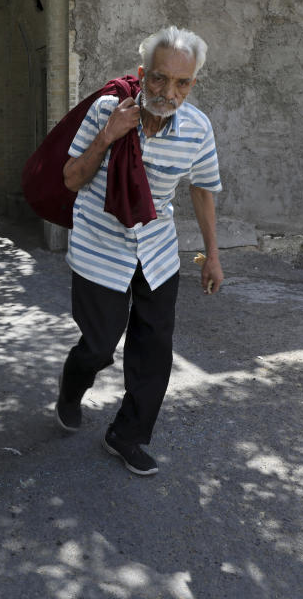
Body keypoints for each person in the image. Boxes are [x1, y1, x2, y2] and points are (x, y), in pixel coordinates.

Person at [55, 26, 223, 476]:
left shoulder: (198, 128)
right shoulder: (108, 111)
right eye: (159, 79)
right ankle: (71, 390)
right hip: (99, 245)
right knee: (98, 344)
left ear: (193, 84)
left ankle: (125, 435)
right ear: (142, 73)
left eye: (182, 83)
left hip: (156, 249)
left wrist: (213, 254)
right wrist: (108, 134)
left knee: (153, 350)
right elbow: (72, 178)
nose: (169, 92)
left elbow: (204, 190)